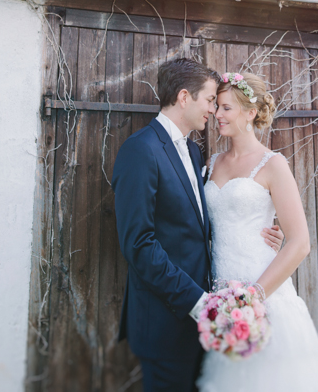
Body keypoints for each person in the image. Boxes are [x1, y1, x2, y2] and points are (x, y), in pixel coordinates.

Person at [112, 59, 283, 392]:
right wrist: (199, 302)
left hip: (205, 322)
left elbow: (196, 225)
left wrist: (259, 236)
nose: (213, 110)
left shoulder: (192, 151)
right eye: (209, 100)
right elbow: (139, 244)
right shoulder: (140, 150)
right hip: (165, 321)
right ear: (184, 97)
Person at [197, 71, 318, 392]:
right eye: (217, 107)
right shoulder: (211, 163)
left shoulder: (273, 164)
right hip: (221, 300)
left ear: (250, 113)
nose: (217, 115)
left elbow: (300, 242)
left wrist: (253, 298)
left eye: (226, 108)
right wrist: (228, 305)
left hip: (263, 295)